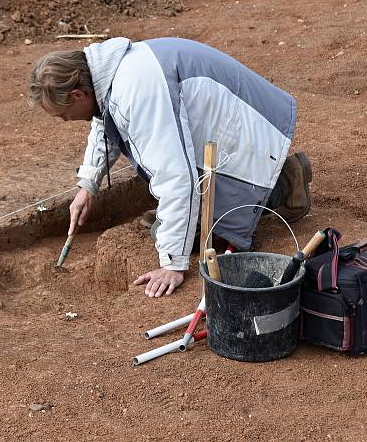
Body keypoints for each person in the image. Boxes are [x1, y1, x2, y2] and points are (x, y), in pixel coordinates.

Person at [27, 37, 312, 297]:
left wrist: (173, 264)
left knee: (174, 235)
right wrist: (88, 185)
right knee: (171, 224)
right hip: (233, 125)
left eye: (63, 115)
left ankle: (285, 185)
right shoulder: (109, 75)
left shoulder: (137, 91)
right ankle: (278, 179)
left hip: (251, 134)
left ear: (78, 95)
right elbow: (105, 121)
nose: (64, 121)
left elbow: (177, 178)